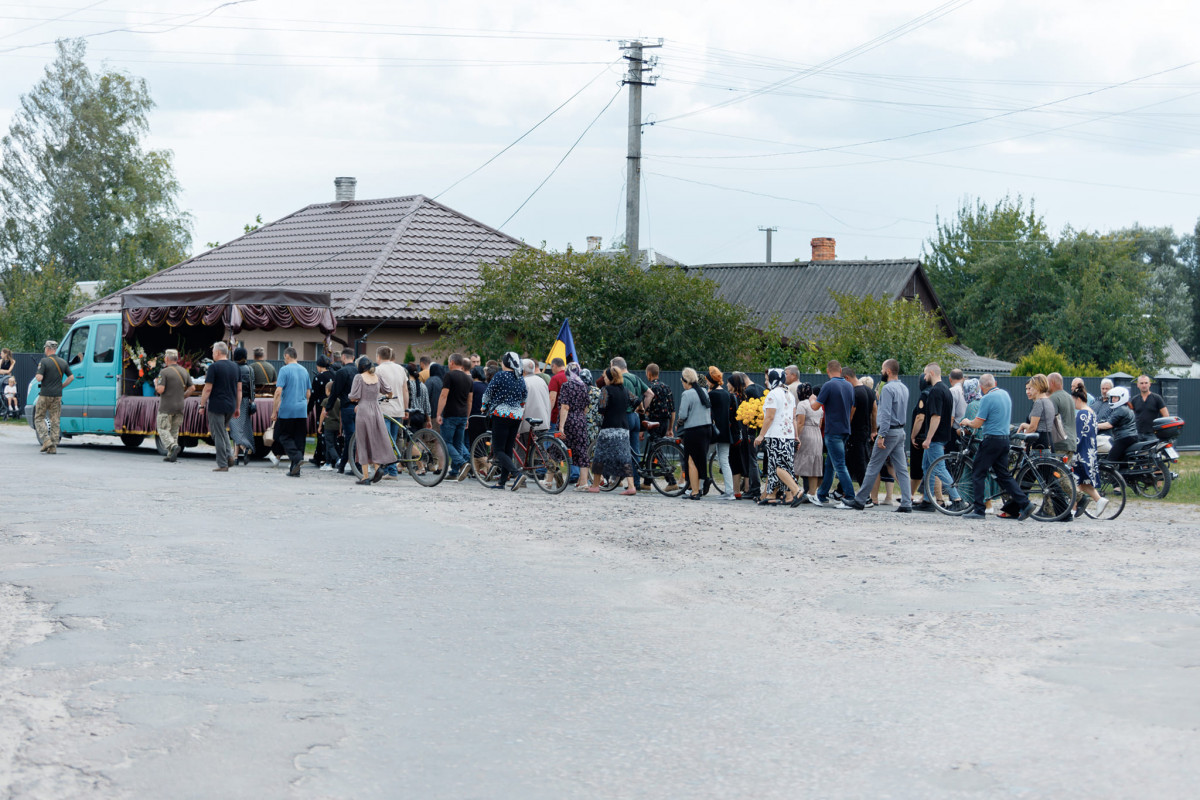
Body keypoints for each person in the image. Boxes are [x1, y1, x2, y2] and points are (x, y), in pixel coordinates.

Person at [958, 374, 1035, 521]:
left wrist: (967, 421)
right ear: (995, 383)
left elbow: (978, 423)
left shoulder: (987, 398)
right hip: (1004, 439)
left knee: (978, 472)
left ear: (981, 387)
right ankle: (1025, 504)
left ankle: (979, 510)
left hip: (991, 440)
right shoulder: (1005, 394)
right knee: (1004, 475)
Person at [848, 359, 912, 512]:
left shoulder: (888, 389)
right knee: (902, 469)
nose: (881, 372)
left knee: (873, 466)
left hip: (888, 432)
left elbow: (885, 413)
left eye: (882, 369)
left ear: (888, 371)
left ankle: (860, 500)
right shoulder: (904, 388)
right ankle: (907, 502)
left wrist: (881, 435)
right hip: (900, 431)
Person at [917, 363, 966, 513]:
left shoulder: (936, 391)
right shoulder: (946, 389)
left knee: (938, 467)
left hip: (935, 438)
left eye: (925, 374)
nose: (924, 378)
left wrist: (928, 438)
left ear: (931, 373)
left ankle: (957, 499)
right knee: (927, 467)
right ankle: (927, 500)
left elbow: (936, 416)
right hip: (943, 435)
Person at [754, 368, 803, 506]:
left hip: (775, 435)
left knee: (778, 467)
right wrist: (795, 436)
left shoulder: (773, 394)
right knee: (780, 466)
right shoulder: (789, 394)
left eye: (767, 379)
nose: (765, 382)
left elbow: (769, 417)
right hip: (787, 435)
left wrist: (761, 435)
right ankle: (773, 495)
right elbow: (793, 418)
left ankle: (796, 491)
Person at [810, 360, 855, 507]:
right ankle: (821, 495)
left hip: (832, 430)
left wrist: (812, 399)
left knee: (840, 465)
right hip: (844, 429)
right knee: (830, 464)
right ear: (841, 369)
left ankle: (850, 497)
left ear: (828, 371)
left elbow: (816, 407)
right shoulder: (849, 385)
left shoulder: (828, 385)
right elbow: (853, 407)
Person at [481, 352, 527, 491]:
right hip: (517, 416)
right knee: (508, 449)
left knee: (499, 450)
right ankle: (501, 482)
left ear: (505, 363)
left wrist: (483, 407)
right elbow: (524, 396)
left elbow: (488, 393)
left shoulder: (500, 375)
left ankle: (517, 474)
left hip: (501, 415)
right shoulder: (520, 377)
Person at [587, 366, 636, 495]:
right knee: (624, 457)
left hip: (608, 428)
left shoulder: (605, 390)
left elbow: (601, 409)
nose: (603, 378)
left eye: (605, 376)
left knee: (599, 455)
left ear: (610, 378)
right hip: (623, 429)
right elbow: (636, 401)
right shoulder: (625, 390)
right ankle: (631, 486)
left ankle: (595, 485)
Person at [348, 356, 397, 484]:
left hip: (363, 410)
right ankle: (377, 468)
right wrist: (386, 396)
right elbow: (389, 392)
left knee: (363, 442)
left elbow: (353, 397)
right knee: (374, 440)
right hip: (376, 410)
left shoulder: (358, 378)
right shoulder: (378, 376)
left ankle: (365, 477)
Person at [610, 357, 654, 491]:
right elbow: (650, 394)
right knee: (634, 452)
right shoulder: (636, 378)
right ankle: (635, 482)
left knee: (621, 450)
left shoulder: (621, 380)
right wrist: (642, 410)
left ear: (616, 368)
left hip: (625, 417)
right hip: (636, 417)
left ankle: (617, 479)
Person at [197, 341, 241, 472]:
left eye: (212, 353)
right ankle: (229, 456)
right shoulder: (235, 367)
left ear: (217, 352)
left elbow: (207, 389)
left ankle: (223, 463)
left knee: (217, 434)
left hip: (217, 405)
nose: (212, 355)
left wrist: (202, 405)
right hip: (231, 404)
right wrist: (238, 407)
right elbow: (239, 390)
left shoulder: (214, 367)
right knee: (223, 431)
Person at [270, 347, 311, 477]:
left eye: (284, 357)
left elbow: (278, 392)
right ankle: (295, 469)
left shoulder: (284, 370)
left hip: (287, 409)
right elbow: (308, 393)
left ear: (287, 356)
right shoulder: (304, 370)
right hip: (301, 409)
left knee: (282, 435)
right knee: (299, 439)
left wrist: (274, 410)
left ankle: (297, 457)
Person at [1071, 383, 1108, 518]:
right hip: (1090, 451)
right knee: (1082, 483)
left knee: (1074, 481)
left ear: (1078, 399)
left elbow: (1078, 436)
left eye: (1073, 401)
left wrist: (1069, 447)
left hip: (1081, 453)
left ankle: (1074, 509)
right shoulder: (1092, 412)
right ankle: (1094, 502)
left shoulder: (1082, 414)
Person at [677, 368, 713, 500]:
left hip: (693, 430)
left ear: (686, 381)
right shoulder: (704, 391)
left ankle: (695, 491)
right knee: (701, 459)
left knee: (691, 461)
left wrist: (679, 422)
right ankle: (700, 485)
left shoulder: (687, 394)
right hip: (706, 429)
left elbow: (683, 414)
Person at [437, 353, 474, 480]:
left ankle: (462, 463)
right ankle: (454, 472)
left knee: (446, 442)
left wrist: (438, 414)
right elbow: (470, 401)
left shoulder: (449, 375)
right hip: (463, 414)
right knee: (458, 443)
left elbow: (443, 395)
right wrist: (467, 417)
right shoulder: (469, 378)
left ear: (452, 362)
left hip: (450, 414)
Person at [374, 347, 409, 479]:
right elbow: (405, 390)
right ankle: (391, 470)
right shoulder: (400, 369)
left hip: (384, 408)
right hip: (398, 409)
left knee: (385, 441)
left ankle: (391, 471)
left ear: (378, 356)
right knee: (392, 440)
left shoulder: (378, 370)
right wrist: (405, 408)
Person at [33, 340, 73, 454]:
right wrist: (62, 386)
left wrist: (38, 373)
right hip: (57, 395)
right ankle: (53, 446)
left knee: (39, 418)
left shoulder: (44, 361)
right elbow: (71, 377)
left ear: (48, 348)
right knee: (55, 420)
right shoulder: (63, 362)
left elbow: (39, 378)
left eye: (45, 348)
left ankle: (46, 440)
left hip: (45, 395)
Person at [556, 362, 592, 490]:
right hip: (581, 421)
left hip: (569, 421)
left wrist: (561, 427)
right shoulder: (583, 386)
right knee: (582, 451)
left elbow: (565, 407)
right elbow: (586, 407)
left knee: (557, 448)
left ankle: (548, 480)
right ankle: (583, 483)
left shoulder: (566, 386)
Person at [154, 349, 194, 463]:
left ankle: (172, 446)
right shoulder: (184, 371)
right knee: (174, 431)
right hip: (180, 406)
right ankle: (171, 455)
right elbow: (192, 388)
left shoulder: (164, 372)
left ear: (166, 359)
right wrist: (183, 396)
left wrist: (156, 383)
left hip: (166, 407)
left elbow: (160, 390)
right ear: (177, 359)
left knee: (162, 429)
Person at [326, 349, 358, 473]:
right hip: (360, 407)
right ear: (353, 357)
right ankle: (343, 465)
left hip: (347, 407)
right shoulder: (359, 371)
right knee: (355, 437)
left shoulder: (341, 372)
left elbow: (334, 392)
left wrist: (328, 408)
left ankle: (356, 466)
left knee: (350, 438)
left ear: (343, 357)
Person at [844, 368, 876, 488]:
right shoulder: (868, 391)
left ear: (847, 378)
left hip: (855, 432)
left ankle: (865, 495)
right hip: (865, 430)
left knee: (859, 462)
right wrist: (873, 429)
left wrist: (845, 428)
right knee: (850, 461)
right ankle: (840, 490)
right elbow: (874, 410)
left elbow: (851, 414)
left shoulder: (855, 392)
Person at [707, 367, 735, 500]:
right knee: (725, 461)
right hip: (725, 431)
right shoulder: (726, 394)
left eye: (707, 380)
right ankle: (730, 491)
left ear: (711, 381)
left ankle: (698, 488)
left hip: (713, 432)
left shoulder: (711, 395)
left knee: (702, 458)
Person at [794, 382, 824, 502]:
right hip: (816, 434)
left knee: (797, 462)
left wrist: (796, 437)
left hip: (805, 434)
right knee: (814, 464)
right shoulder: (818, 405)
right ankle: (812, 493)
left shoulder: (802, 404)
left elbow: (800, 423)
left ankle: (794, 490)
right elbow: (820, 423)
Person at [230, 347, 256, 467]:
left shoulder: (232, 368)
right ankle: (235, 457)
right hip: (246, 400)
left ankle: (245, 447)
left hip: (234, 400)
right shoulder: (249, 369)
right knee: (241, 428)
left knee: (235, 427)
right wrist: (252, 400)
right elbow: (252, 386)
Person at [1099, 386, 1139, 463]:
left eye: (1116, 398)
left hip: (1124, 438)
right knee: (1121, 461)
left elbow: (1109, 425)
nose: (1113, 399)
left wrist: (1093, 425)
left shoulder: (1120, 409)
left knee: (1109, 461)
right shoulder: (1126, 408)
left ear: (1122, 398)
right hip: (1131, 437)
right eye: (1112, 397)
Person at [308, 356, 336, 467]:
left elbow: (313, 396)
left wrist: (308, 410)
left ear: (319, 366)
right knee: (331, 434)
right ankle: (318, 456)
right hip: (334, 407)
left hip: (322, 408)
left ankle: (327, 458)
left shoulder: (318, 377)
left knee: (321, 432)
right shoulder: (334, 375)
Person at [1018, 374, 1056, 451]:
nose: (1028, 391)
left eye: (1030, 388)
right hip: (1048, 440)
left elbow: (1033, 427)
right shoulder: (1048, 401)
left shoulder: (1039, 403)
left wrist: (1023, 438)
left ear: (1037, 388)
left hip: (1038, 442)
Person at [1047, 372, 1076, 453]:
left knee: (1055, 465)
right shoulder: (1070, 397)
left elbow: (1050, 421)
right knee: (1066, 466)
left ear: (1052, 383)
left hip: (1060, 444)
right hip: (1072, 442)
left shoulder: (1053, 398)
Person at [317, 394, 342, 472]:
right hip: (337, 425)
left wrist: (320, 426)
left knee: (329, 445)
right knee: (331, 444)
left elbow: (322, 414)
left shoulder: (326, 401)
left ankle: (338, 459)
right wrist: (340, 429)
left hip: (328, 426)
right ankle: (328, 463)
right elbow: (341, 416)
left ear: (328, 391)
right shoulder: (339, 401)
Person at [547, 357, 567, 430]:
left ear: (554, 366)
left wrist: (547, 415)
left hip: (556, 417)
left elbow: (552, 399)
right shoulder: (573, 377)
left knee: (550, 439)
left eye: (551, 367)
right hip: (570, 418)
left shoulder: (555, 378)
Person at [425, 363, 445, 432]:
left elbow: (426, 397)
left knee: (430, 438)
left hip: (431, 414)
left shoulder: (429, 381)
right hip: (442, 414)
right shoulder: (443, 381)